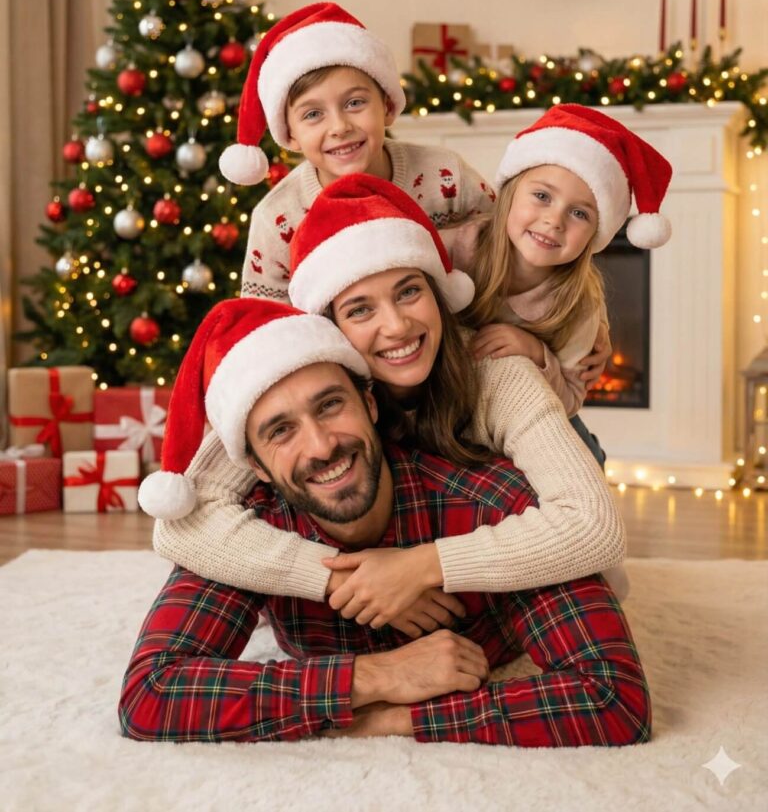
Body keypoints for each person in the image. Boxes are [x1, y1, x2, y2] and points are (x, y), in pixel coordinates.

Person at [121, 299, 651, 745]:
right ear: (255, 466)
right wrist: (375, 678)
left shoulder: (492, 501)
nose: (322, 445)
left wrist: (396, 720)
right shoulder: (250, 533)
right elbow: (150, 693)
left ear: (370, 405)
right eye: (281, 431)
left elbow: (613, 698)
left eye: (330, 406)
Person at [142, 175, 626, 631]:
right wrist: (339, 579)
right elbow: (181, 523)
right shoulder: (300, 387)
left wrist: (418, 568)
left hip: (475, 598)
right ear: (329, 326)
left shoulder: (498, 376)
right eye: (360, 309)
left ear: (438, 294)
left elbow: (594, 524)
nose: (396, 327)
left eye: (409, 292)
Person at [219, 0, 497, 302]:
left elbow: (507, 253)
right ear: (290, 134)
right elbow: (268, 323)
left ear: (387, 106)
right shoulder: (276, 219)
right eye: (312, 114)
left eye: (354, 103)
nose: (339, 126)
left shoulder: (446, 175)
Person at [443, 104, 673, 462]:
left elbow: (570, 399)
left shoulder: (579, 303)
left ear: (596, 233)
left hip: (525, 408)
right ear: (509, 194)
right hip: (452, 402)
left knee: (588, 457)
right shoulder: (458, 248)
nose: (554, 221)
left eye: (579, 213)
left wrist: (535, 351)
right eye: (542, 196)